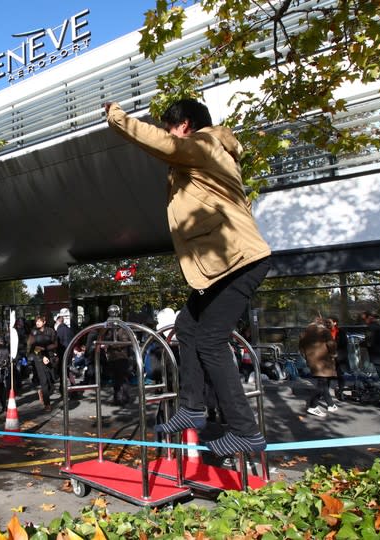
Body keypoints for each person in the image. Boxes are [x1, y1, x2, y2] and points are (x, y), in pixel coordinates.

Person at [105, 98, 271, 456]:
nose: (168, 132)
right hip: (223, 265)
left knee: (211, 340)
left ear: (185, 125)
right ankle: (192, 407)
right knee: (187, 325)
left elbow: (164, 145)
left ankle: (245, 429)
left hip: (238, 262)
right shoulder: (208, 158)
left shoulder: (204, 144)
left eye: (170, 125)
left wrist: (117, 117)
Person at [299, 317, 338, 417]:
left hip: (312, 362)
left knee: (323, 382)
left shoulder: (304, 333)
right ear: (321, 323)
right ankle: (313, 406)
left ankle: (330, 404)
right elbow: (331, 344)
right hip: (324, 361)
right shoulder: (324, 331)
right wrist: (333, 354)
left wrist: (308, 358)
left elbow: (301, 349)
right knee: (322, 384)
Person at [27, 315, 58, 411]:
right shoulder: (33, 332)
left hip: (50, 357)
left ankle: (42, 392)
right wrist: (40, 354)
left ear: (44, 322)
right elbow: (31, 347)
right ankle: (47, 404)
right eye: (36, 321)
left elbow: (55, 344)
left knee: (52, 381)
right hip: (38, 358)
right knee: (43, 381)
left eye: (39, 321)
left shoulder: (51, 331)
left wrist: (47, 349)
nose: (37, 323)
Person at [329, 316, 350, 400]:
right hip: (329, 357)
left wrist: (337, 353)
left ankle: (341, 391)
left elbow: (344, 344)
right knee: (327, 375)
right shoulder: (326, 332)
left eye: (329, 322)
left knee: (340, 374)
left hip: (339, 356)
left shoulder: (341, 332)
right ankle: (325, 392)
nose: (327, 324)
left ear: (335, 323)